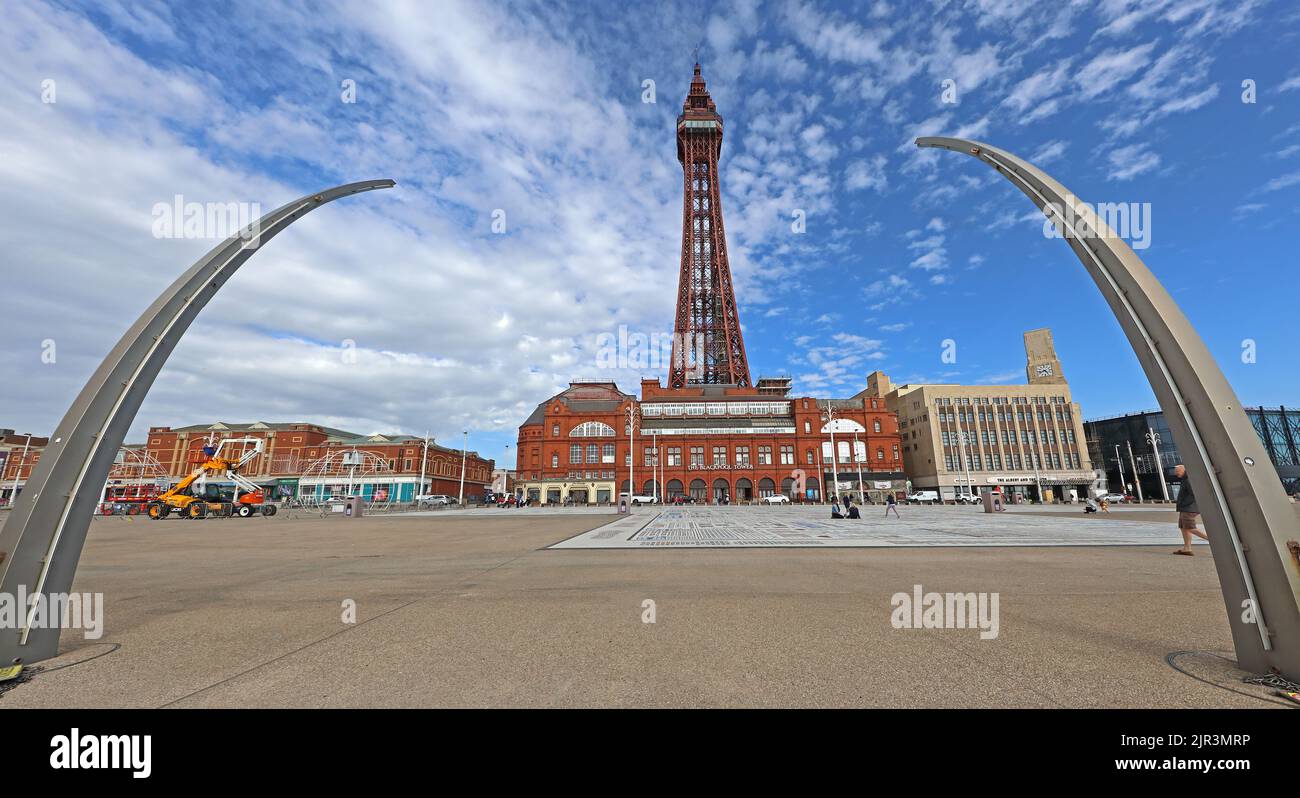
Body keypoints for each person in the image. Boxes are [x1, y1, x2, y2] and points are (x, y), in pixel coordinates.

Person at [1172, 464, 1208, 556]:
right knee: (1183, 527)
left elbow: (1194, 494)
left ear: (1183, 470)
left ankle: (1212, 541)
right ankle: (1187, 548)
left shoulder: (1189, 480)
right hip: (1185, 508)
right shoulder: (1185, 479)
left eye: (1177, 472)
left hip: (1189, 508)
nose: (1176, 474)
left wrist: (1184, 503)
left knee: (1189, 527)